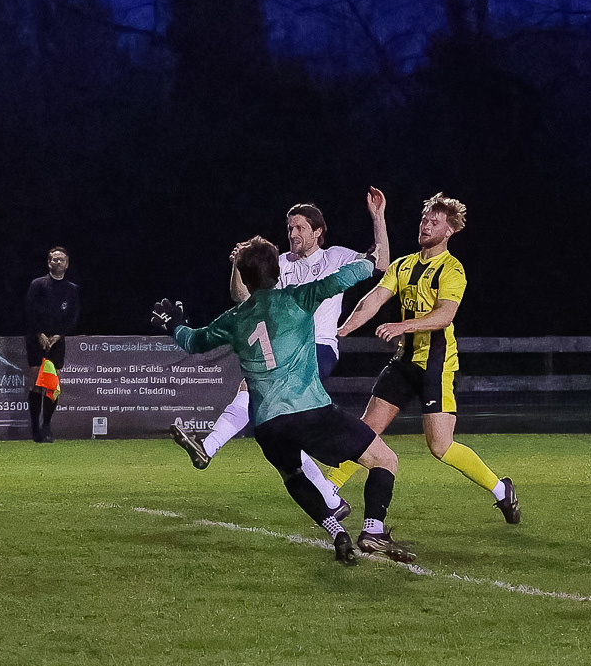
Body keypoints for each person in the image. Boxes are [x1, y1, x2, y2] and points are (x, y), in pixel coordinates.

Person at [153, 229, 410, 566]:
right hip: (311, 411)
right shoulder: (297, 297)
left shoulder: (233, 319)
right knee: (384, 460)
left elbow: (192, 342)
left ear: (245, 277)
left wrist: (175, 324)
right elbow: (351, 275)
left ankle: (337, 532)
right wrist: (368, 261)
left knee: (294, 476)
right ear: (277, 271)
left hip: (268, 426)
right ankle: (373, 529)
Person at [170, 190, 390, 502]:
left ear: (318, 231)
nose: (293, 233)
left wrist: (378, 217)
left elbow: (381, 263)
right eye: (289, 228)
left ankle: (208, 446)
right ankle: (329, 497)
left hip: (318, 347)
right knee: (282, 424)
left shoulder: (335, 257)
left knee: (262, 400)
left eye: (300, 227)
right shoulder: (280, 263)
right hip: (283, 349)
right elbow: (243, 298)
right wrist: (237, 265)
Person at [330, 192, 520, 524]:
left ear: (449, 231)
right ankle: (327, 489)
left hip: (437, 365)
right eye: (424, 219)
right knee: (366, 429)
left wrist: (403, 325)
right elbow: (373, 299)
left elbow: (445, 315)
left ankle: (501, 489)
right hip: (404, 362)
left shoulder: (452, 269)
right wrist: (342, 330)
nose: (426, 225)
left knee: (440, 447)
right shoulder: (403, 265)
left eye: (434, 221)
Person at [25, 247, 79, 443]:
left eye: (61, 260)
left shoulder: (71, 289)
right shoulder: (37, 285)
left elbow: (73, 316)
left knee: (52, 384)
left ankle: (46, 426)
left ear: (67, 264)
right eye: (53, 259)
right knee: (36, 382)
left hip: (57, 340)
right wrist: (39, 333)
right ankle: (34, 428)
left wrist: (59, 335)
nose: (57, 262)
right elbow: (29, 311)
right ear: (49, 263)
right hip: (36, 338)